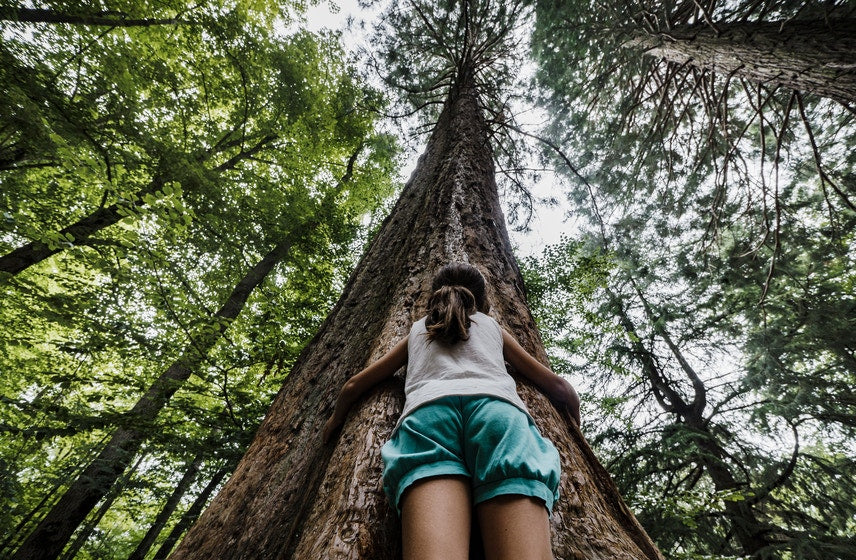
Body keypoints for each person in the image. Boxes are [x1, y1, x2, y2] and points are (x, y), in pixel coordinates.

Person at [322, 262, 580, 560]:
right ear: (482, 303)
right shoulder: (492, 327)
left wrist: (335, 420)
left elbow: (353, 386)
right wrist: (576, 423)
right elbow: (561, 389)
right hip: (499, 418)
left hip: (428, 421)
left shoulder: (417, 331)